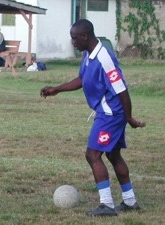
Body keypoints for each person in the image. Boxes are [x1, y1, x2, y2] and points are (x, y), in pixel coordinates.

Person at [40, 19, 145, 216]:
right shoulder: (89, 54)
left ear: (85, 37)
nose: (72, 42)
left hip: (111, 114)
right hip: (109, 113)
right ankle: (130, 201)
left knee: (92, 155)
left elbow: (122, 90)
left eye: (74, 38)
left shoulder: (105, 58)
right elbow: (82, 78)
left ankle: (107, 205)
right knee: (113, 155)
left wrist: (129, 117)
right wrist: (57, 89)